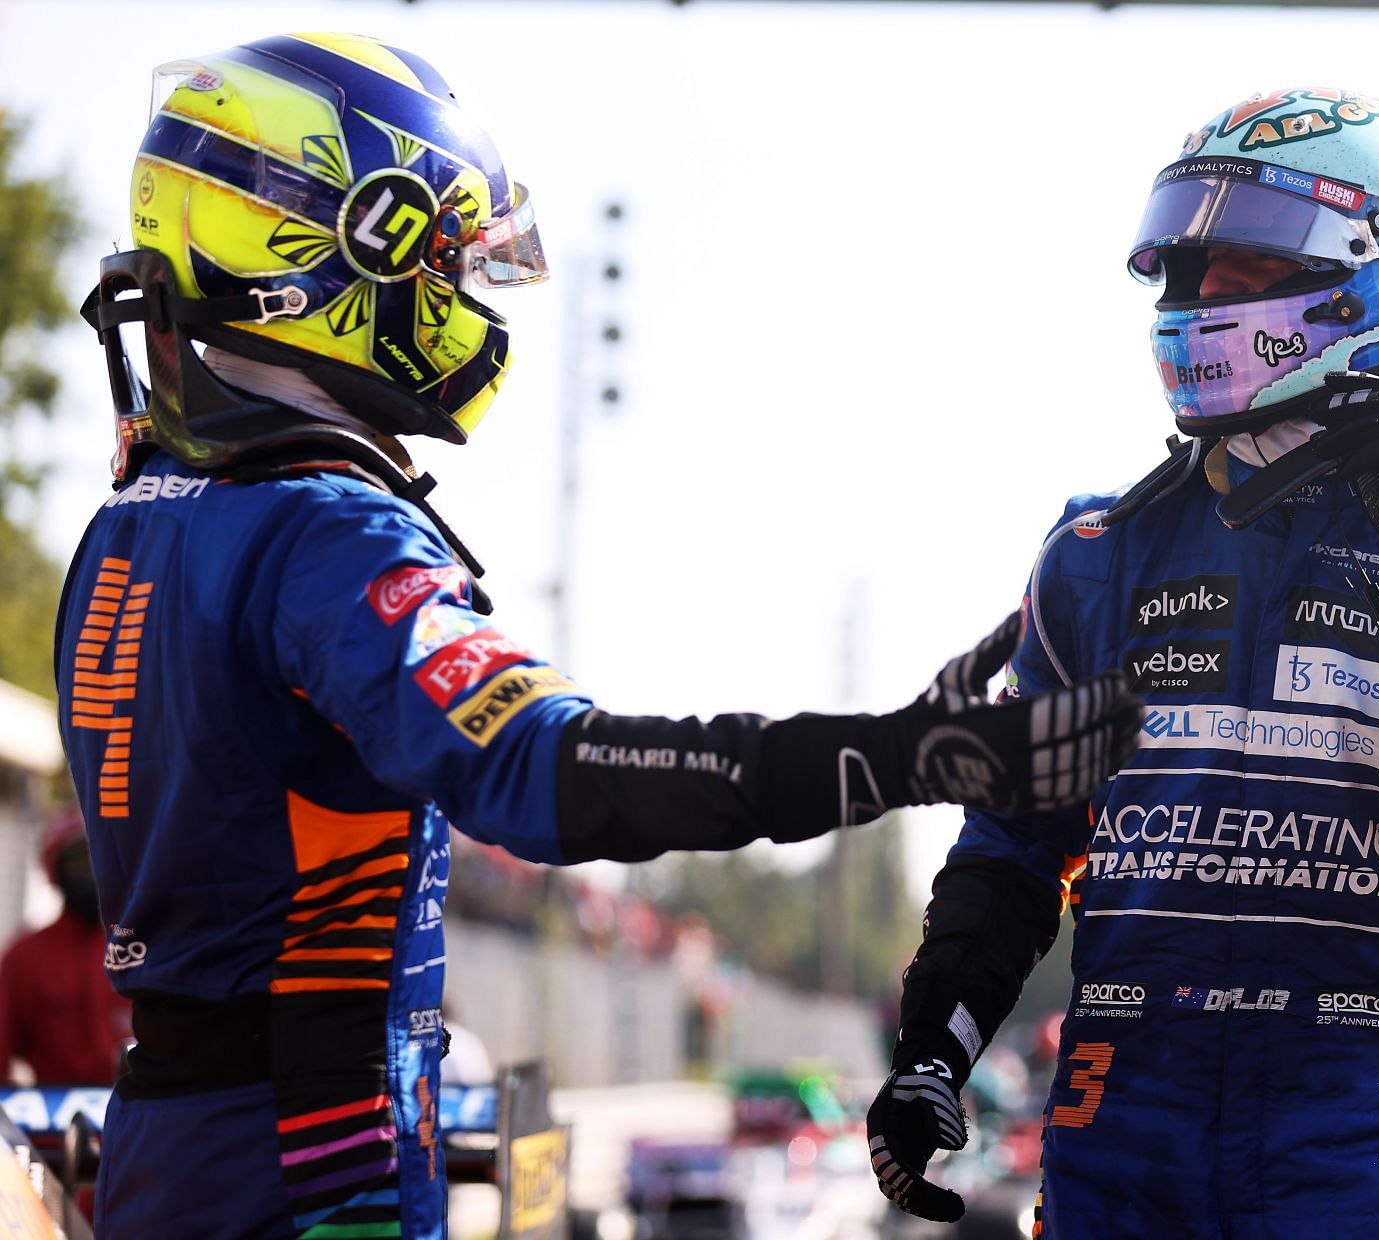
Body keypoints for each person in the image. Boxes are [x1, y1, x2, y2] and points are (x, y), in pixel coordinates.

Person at [57, 34, 1141, 1240]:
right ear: (351, 249)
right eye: (450, 262)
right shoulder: (327, 533)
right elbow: (542, 770)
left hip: (168, 1139)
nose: (465, 298)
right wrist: (898, 753)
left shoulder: (129, 524)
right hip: (308, 1165)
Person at [865, 88, 1379, 1238]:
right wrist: (932, 1050)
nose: (1199, 301)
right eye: (1189, 269)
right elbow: (1014, 840)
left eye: (1245, 269)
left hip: (1354, 1109)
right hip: (1121, 1101)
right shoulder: (1098, 550)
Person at [0, 810, 133, 1084]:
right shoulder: (25, 957)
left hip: (139, 1119)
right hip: (53, 1124)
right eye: (79, 862)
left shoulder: (141, 947)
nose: (91, 873)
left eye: (99, 858)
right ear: (56, 869)